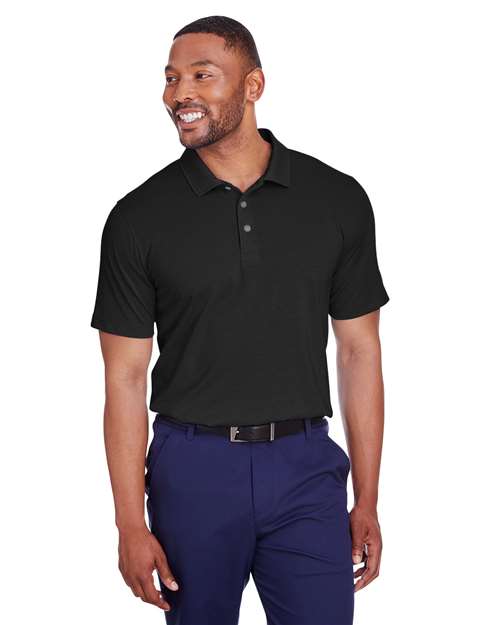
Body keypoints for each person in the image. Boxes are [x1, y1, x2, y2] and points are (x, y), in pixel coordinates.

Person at [90, 14, 390, 625]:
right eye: (171, 78)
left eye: (202, 75)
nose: (180, 93)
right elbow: (124, 377)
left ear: (253, 86)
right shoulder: (138, 218)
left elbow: (359, 352)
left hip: (306, 468)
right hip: (191, 469)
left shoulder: (337, 199)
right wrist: (128, 523)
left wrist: (367, 498)